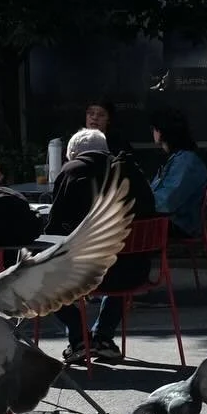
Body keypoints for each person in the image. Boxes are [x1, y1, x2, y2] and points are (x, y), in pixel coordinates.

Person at [48, 127, 158, 363]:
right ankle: (103, 338)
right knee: (119, 257)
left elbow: (55, 229)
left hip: (86, 275)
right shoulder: (133, 171)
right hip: (135, 272)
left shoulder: (71, 172)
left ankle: (79, 338)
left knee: (40, 278)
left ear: (74, 154)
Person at [149, 108, 207, 241]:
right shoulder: (178, 159)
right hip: (173, 220)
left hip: (179, 224)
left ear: (161, 131)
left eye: (154, 129)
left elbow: (166, 202)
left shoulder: (185, 162)